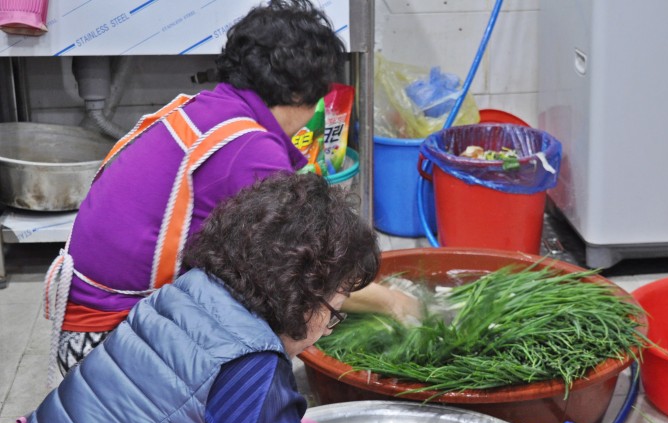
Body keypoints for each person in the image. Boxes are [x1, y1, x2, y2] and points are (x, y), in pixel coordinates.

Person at [1, 173, 430, 423]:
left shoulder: (194, 291)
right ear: (302, 297)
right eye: (334, 312)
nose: (328, 327)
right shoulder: (250, 369)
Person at [44, 0, 419, 382]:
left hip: (76, 326)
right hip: (105, 349)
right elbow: (303, 276)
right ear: (297, 94)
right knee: (285, 316)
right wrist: (392, 301)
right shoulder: (249, 150)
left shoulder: (206, 110)